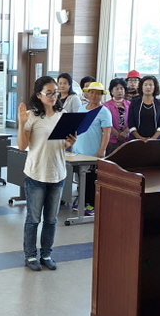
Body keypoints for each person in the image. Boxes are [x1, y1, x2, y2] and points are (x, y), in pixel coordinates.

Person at [18, 76, 76, 272]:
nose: (53, 96)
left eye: (55, 93)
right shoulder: (31, 116)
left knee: (51, 219)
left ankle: (46, 254)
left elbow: (63, 144)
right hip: (36, 173)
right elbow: (22, 146)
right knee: (33, 219)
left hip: (57, 173)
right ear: (39, 95)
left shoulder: (63, 115)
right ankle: (30, 255)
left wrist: (70, 142)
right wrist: (21, 124)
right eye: (48, 93)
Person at [72, 82, 112, 216]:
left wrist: (102, 150)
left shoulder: (104, 111)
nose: (94, 96)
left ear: (101, 95)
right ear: (87, 94)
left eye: (98, 93)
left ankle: (92, 204)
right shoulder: (81, 108)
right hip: (78, 151)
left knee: (91, 179)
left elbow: (107, 132)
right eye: (92, 92)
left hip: (93, 152)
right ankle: (82, 201)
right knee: (80, 178)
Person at [128, 75, 160, 140]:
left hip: (156, 140)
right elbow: (131, 123)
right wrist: (140, 138)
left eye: (151, 85)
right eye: (145, 85)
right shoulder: (134, 103)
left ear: (155, 87)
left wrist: (152, 139)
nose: (148, 87)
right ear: (141, 87)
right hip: (136, 139)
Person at [104, 78, 131, 154]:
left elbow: (133, 120)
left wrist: (125, 132)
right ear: (111, 91)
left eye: (122, 88)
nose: (120, 91)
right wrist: (117, 134)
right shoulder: (105, 106)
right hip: (111, 140)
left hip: (127, 139)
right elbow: (106, 123)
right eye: (117, 89)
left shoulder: (130, 105)